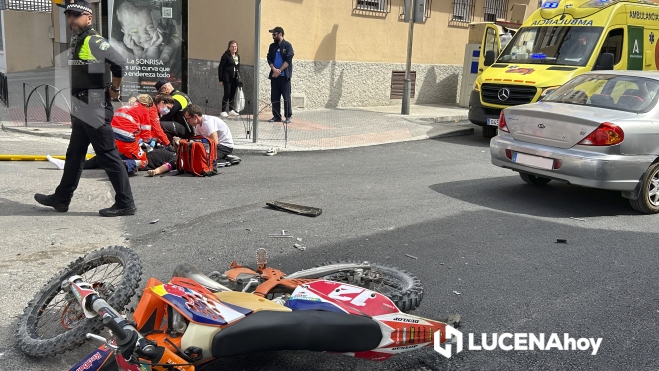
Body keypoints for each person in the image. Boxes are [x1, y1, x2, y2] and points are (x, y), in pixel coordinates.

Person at [35, 0, 136, 217]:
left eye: (76, 15)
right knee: (74, 155)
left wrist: (115, 90)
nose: (71, 19)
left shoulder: (93, 40)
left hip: (94, 106)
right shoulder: (79, 41)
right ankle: (61, 199)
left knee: (108, 155)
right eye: (69, 15)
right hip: (83, 106)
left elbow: (119, 63)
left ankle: (126, 203)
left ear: (88, 18)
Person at [115, 0, 182, 66]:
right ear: (124, 33)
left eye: (150, 27)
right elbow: (142, 67)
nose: (144, 35)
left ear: (158, 24)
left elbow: (178, 39)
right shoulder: (124, 49)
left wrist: (167, 49)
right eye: (134, 31)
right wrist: (137, 50)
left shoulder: (165, 38)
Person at [48, 148, 177, 177]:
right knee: (101, 157)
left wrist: (156, 171)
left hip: (137, 161)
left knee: (110, 161)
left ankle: (66, 165)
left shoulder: (177, 159)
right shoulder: (170, 152)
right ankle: (66, 165)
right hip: (136, 154)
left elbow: (169, 166)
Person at [267, 26, 294, 124]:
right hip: (274, 76)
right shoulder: (272, 46)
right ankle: (276, 116)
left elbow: (288, 59)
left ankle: (288, 116)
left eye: (274, 34)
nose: (273, 36)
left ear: (280, 34)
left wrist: (279, 71)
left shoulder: (287, 45)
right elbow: (269, 58)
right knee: (274, 96)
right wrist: (274, 70)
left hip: (284, 76)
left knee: (286, 96)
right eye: (272, 35)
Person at [218, 40, 241, 118]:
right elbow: (221, 67)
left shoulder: (237, 56)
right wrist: (220, 79)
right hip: (227, 78)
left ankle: (231, 110)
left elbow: (238, 67)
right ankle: (223, 110)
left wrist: (239, 78)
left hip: (235, 78)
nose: (234, 48)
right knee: (227, 93)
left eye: (235, 46)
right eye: (232, 46)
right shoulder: (225, 56)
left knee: (232, 94)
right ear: (229, 47)